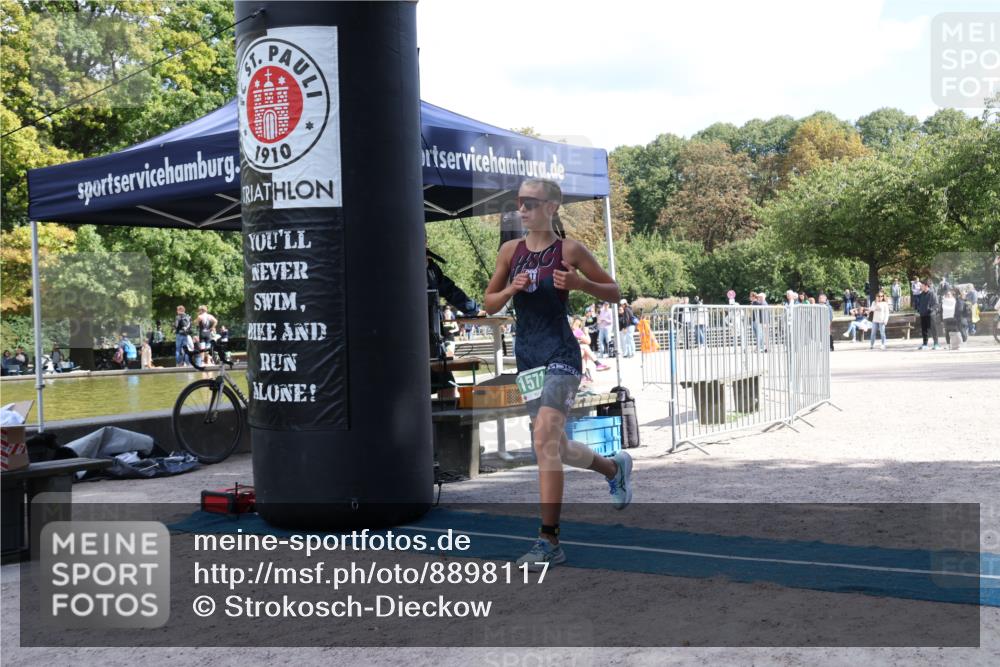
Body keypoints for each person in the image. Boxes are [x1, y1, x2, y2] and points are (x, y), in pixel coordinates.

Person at [483, 178, 631, 571]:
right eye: (519, 203)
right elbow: (488, 303)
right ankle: (613, 468)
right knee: (554, 445)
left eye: (530, 203)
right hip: (528, 356)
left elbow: (614, 291)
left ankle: (549, 539)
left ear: (551, 207)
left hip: (562, 352)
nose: (522, 210)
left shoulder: (569, 249)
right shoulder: (509, 252)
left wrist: (581, 283)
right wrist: (511, 289)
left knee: (544, 438)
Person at [427, 249, 483, 399]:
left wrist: (474, 310)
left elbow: (450, 290)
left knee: (447, 384)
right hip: (411, 338)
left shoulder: (431, 268)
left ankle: (444, 421)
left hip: (433, 338)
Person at [913, 279, 941, 349]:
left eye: (921, 285)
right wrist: (919, 310)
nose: (920, 287)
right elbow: (920, 304)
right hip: (923, 315)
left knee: (933, 329)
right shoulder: (921, 294)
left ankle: (936, 344)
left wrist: (930, 310)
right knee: (924, 330)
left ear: (926, 286)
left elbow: (936, 305)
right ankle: (925, 344)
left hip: (930, 315)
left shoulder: (932, 293)